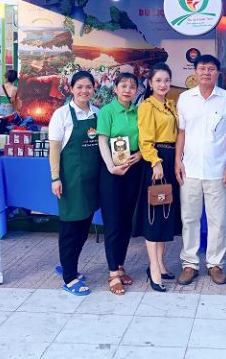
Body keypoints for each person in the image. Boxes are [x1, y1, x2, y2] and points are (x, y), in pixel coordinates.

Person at [175, 54, 226, 285]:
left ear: (218, 73)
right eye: (202, 68)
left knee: (217, 220)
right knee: (189, 219)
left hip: (218, 170)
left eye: (211, 69)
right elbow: (181, 133)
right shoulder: (185, 98)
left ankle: (215, 264)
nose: (206, 72)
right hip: (190, 169)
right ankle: (190, 264)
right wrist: (178, 161)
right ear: (195, 72)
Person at [48, 70, 100, 296]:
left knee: (83, 228)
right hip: (70, 181)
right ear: (71, 89)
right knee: (70, 228)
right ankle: (69, 278)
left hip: (92, 180)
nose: (84, 91)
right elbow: (54, 150)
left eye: (88, 86)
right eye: (79, 87)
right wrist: (55, 178)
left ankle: (69, 265)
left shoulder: (97, 113)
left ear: (94, 88)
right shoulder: (61, 115)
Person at [134, 63, 182, 292]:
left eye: (166, 80)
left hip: (171, 160)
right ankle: (153, 268)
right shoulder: (147, 106)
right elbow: (145, 140)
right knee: (154, 216)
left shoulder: (170, 105)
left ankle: (161, 264)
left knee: (165, 213)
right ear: (150, 83)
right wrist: (155, 162)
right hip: (157, 162)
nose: (163, 84)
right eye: (158, 81)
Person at [98, 73, 144, 295]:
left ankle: (120, 264)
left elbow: (146, 139)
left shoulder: (139, 112)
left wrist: (140, 154)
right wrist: (110, 167)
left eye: (132, 86)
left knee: (126, 221)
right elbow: (102, 140)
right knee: (113, 221)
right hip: (112, 171)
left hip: (133, 168)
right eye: (123, 86)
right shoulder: (107, 111)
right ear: (115, 88)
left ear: (137, 90)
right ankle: (112, 273)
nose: (127, 90)